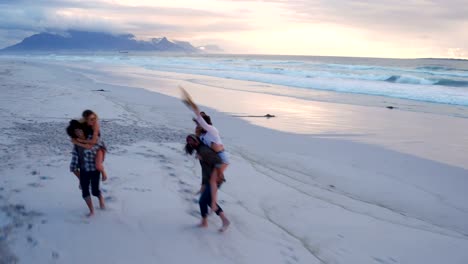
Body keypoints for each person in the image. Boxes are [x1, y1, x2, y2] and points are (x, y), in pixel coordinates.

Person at [181, 88, 229, 215]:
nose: (197, 124)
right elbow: (199, 143)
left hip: (222, 158)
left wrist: (192, 105)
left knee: (214, 180)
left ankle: (213, 204)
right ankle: (209, 199)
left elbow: (199, 117)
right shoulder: (202, 135)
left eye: (199, 123)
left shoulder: (212, 130)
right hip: (215, 157)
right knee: (211, 180)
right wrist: (199, 153)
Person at [185, 134, 230, 232]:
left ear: (197, 141)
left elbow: (218, 162)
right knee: (208, 201)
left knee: (203, 201)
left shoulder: (203, 150)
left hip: (215, 179)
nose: (191, 143)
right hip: (208, 179)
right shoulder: (200, 150)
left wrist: (219, 176)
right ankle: (207, 222)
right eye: (189, 142)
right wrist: (203, 184)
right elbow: (205, 169)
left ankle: (220, 221)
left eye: (192, 141)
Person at [67, 120, 106, 217]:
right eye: (76, 132)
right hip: (84, 170)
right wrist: (78, 175)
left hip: (94, 170)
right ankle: (92, 211)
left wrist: (102, 171)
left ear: (83, 129)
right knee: (84, 191)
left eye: (79, 130)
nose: (78, 133)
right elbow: (75, 159)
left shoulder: (93, 139)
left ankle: (100, 198)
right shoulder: (76, 145)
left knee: (95, 191)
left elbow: (101, 146)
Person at [73, 110, 108, 182]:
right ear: (85, 119)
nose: (94, 120)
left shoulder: (96, 125)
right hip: (86, 145)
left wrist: (80, 141)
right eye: (91, 119)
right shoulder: (81, 125)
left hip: (98, 146)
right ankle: (82, 180)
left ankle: (103, 173)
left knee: (98, 165)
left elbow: (93, 142)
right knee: (74, 168)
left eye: (95, 118)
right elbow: (75, 133)